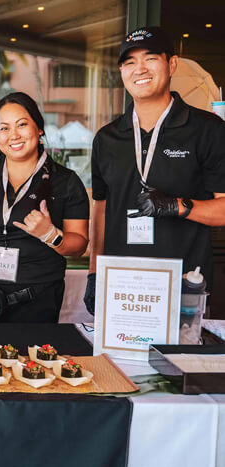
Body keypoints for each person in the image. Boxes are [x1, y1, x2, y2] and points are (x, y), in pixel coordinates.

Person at [84, 26, 225, 315]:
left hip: (184, 284)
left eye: (150, 58)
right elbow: (101, 208)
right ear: (122, 71)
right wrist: (94, 272)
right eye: (130, 62)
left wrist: (178, 206)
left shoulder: (207, 130)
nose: (140, 69)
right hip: (122, 285)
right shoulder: (107, 138)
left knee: (179, 361)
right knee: (114, 362)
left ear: (171, 64)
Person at [0, 92, 89, 323]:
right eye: (4, 128)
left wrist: (51, 235)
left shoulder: (65, 181)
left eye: (22, 125)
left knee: (33, 359)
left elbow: (79, 244)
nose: (14, 135)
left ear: (39, 128)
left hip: (38, 298)